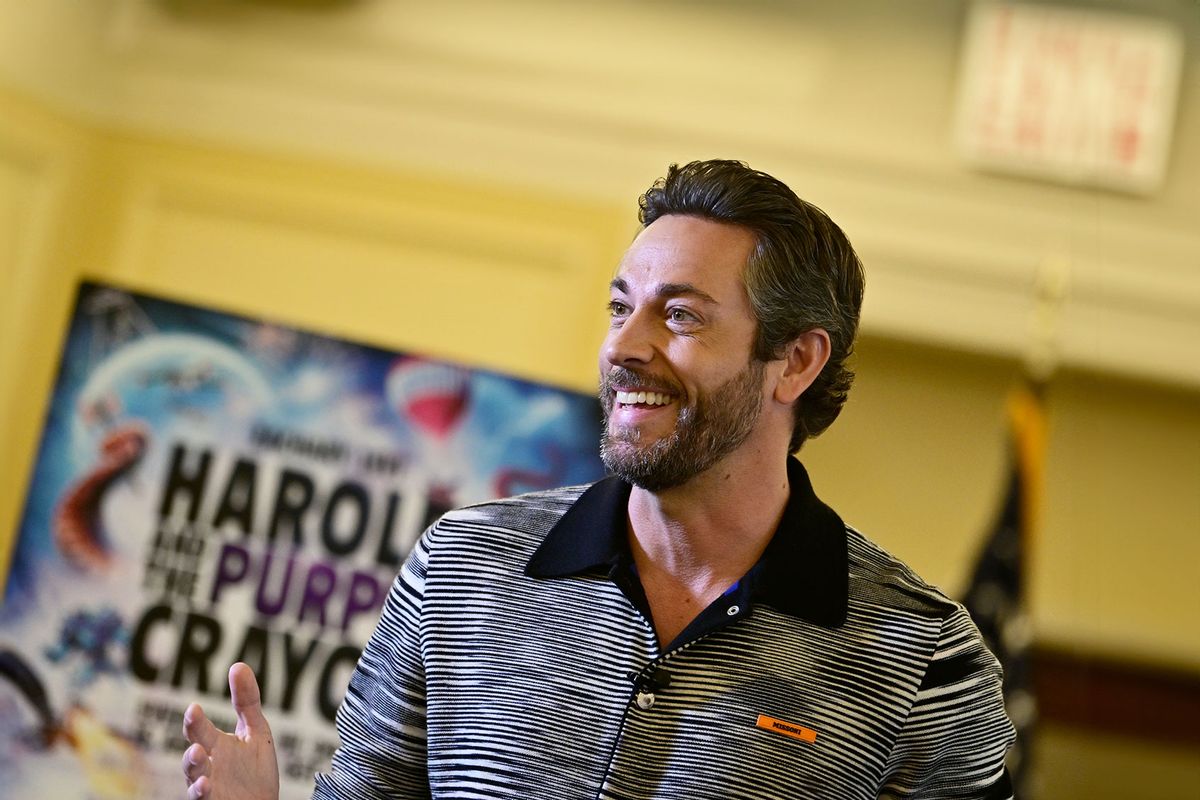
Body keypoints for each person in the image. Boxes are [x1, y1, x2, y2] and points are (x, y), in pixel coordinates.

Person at [181, 160, 1015, 800]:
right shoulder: (460, 571)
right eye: (621, 308)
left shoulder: (925, 663)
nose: (624, 347)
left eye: (680, 315)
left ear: (794, 361)